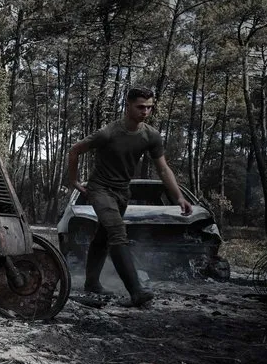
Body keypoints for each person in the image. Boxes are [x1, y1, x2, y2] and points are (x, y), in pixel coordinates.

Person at [67, 87, 192, 306]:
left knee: (103, 237)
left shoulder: (150, 135)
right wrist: (74, 180)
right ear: (128, 106)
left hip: (123, 192)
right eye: (140, 107)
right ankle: (136, 291)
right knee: (117, 233)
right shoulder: (108, 133)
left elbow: (163, 169)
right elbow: (75, 150)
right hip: (100, 188)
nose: (145, 111)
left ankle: (92, 283)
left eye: (149, 107)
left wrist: (179, 197)